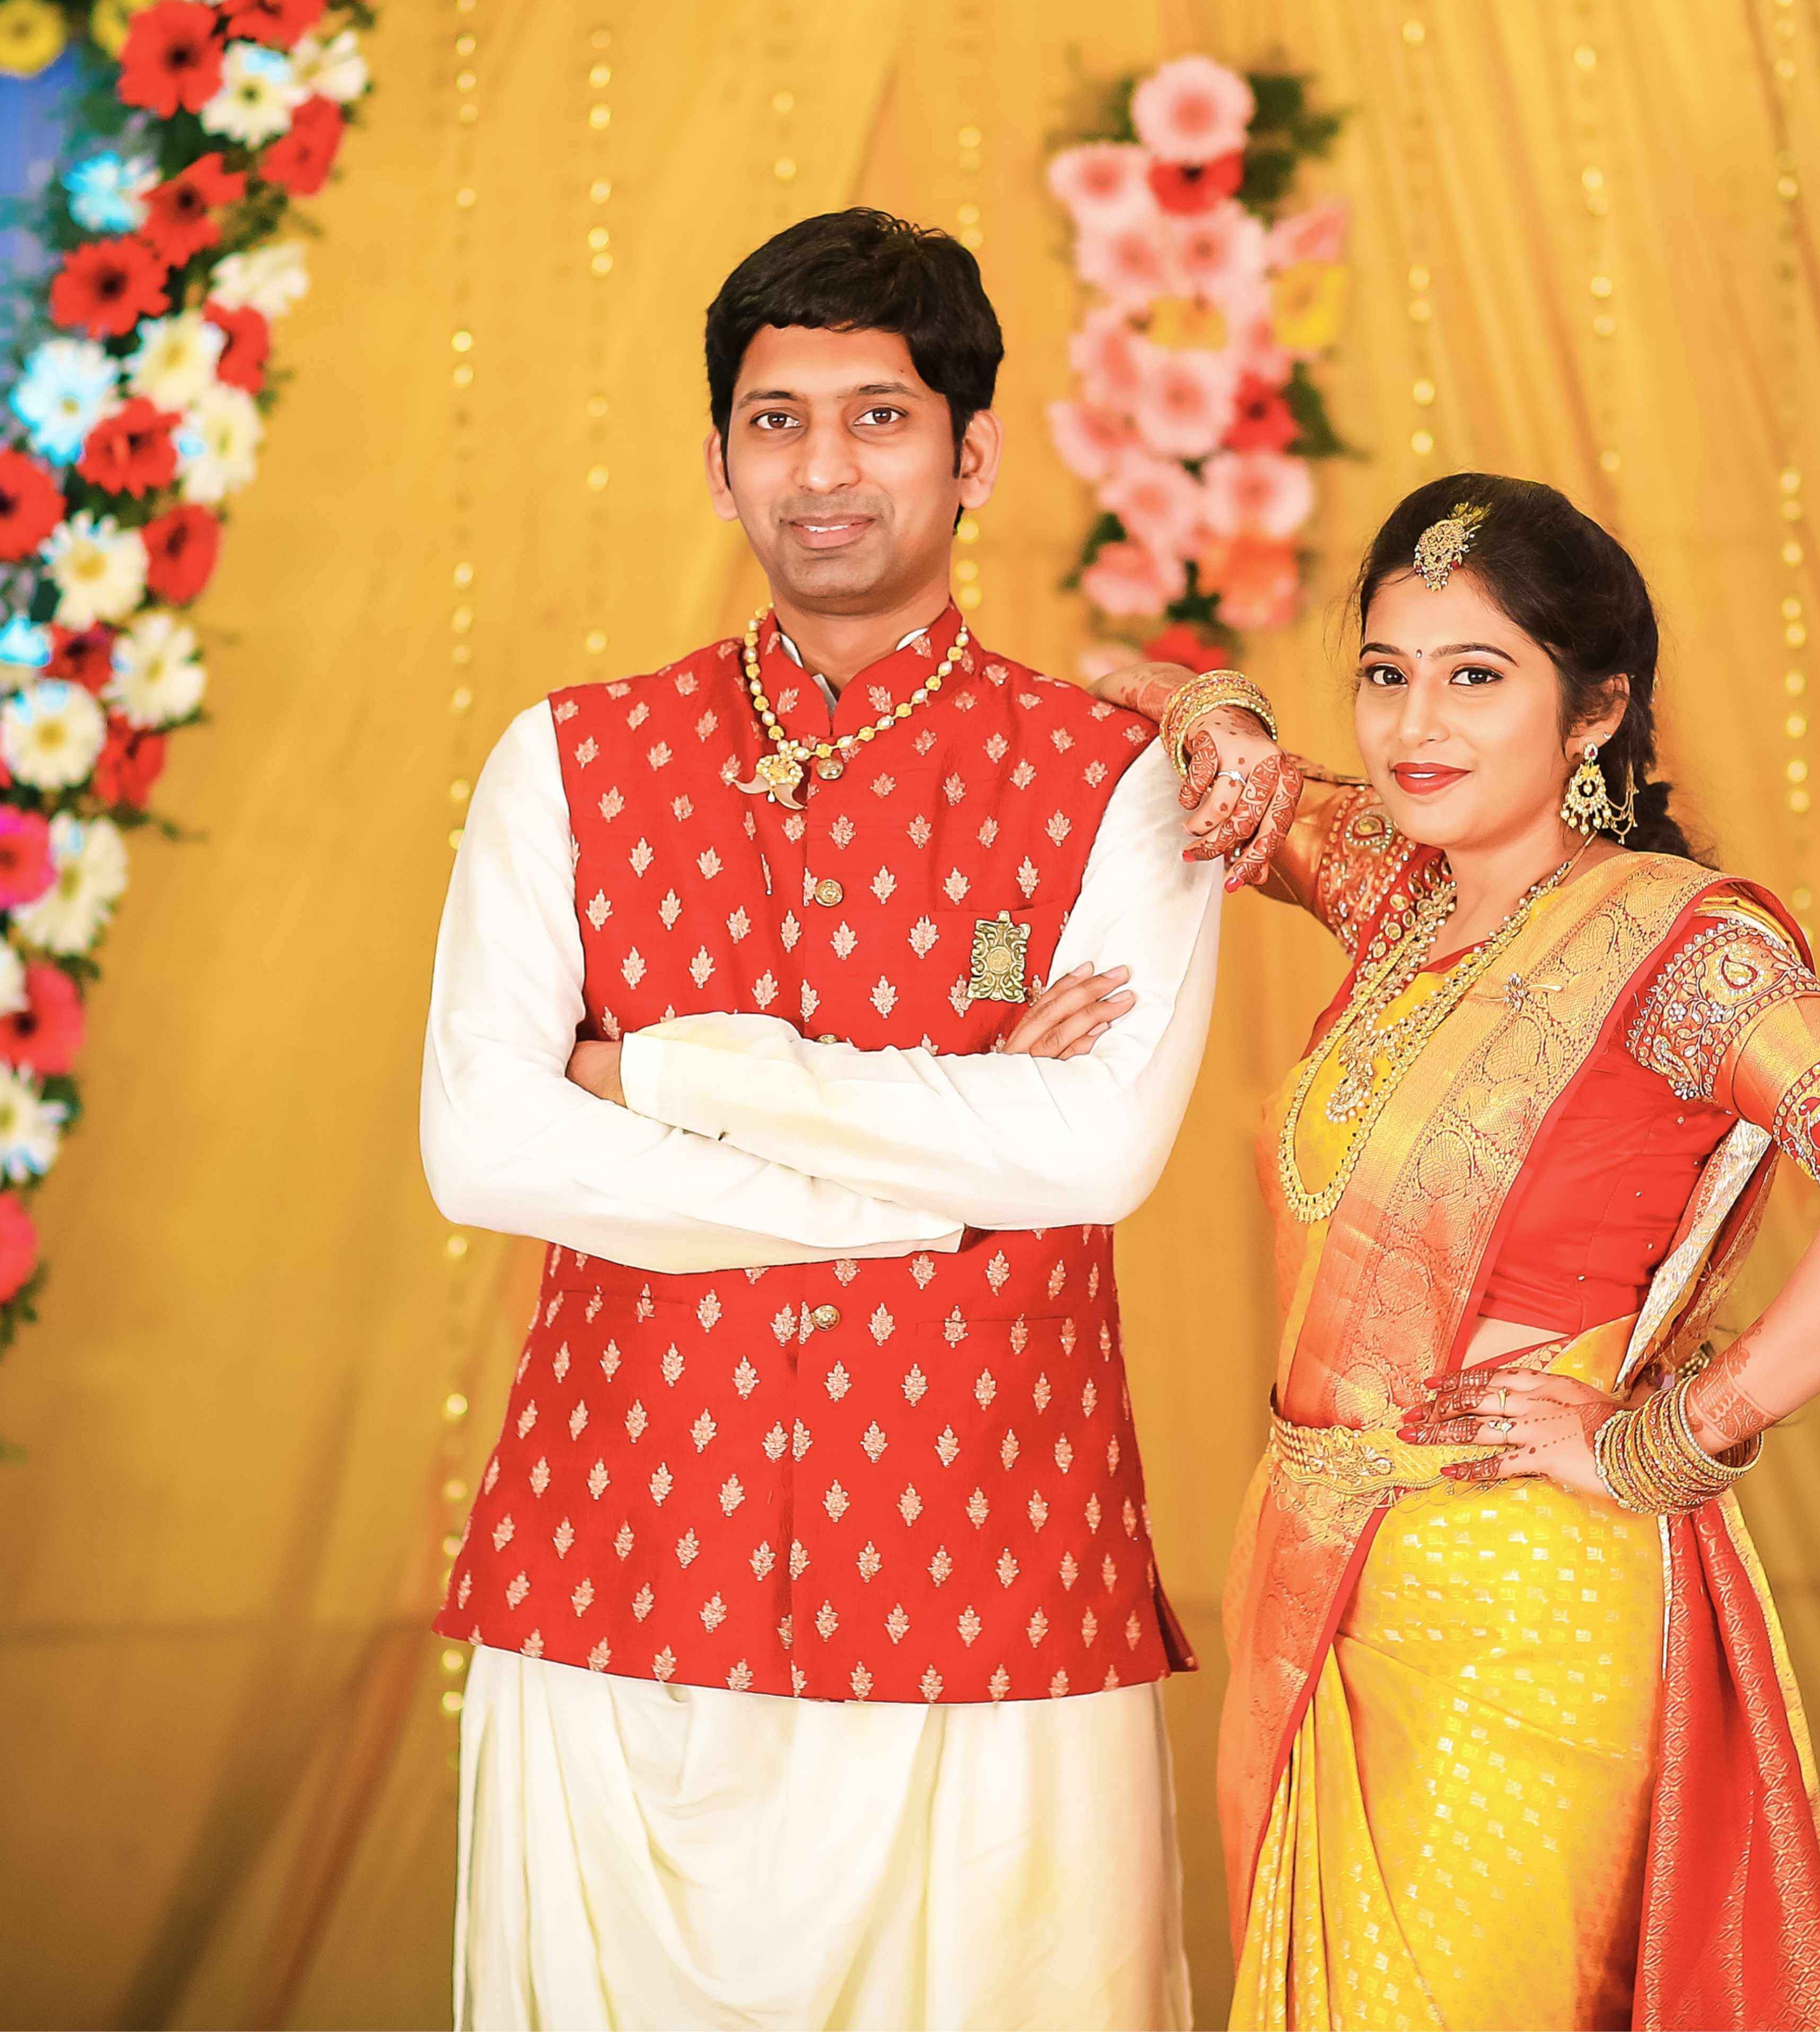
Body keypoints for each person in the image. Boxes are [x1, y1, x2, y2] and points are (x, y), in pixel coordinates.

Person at [417, 208, 1290, 2031]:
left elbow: (1093, 1154)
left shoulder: (1120, 788)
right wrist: (929, 1185)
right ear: (719, 463)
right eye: (778, 421)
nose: (824, 470)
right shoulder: (564, 761)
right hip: (616, 1563)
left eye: (879, 418)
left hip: (995, 1570)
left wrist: (655, 1077)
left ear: (974, 456)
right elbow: (485, 1147)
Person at [1073, 474, 1820, 2030]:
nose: (1414, 724)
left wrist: (1670, 1438)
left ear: (1595, 712)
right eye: (1387, 672)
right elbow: (1114, 696)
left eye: (1477, 676)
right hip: (1315, 1573)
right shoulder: (1398, 894)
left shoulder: (1682, 946)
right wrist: (1216, 709)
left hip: (1520, 1616)